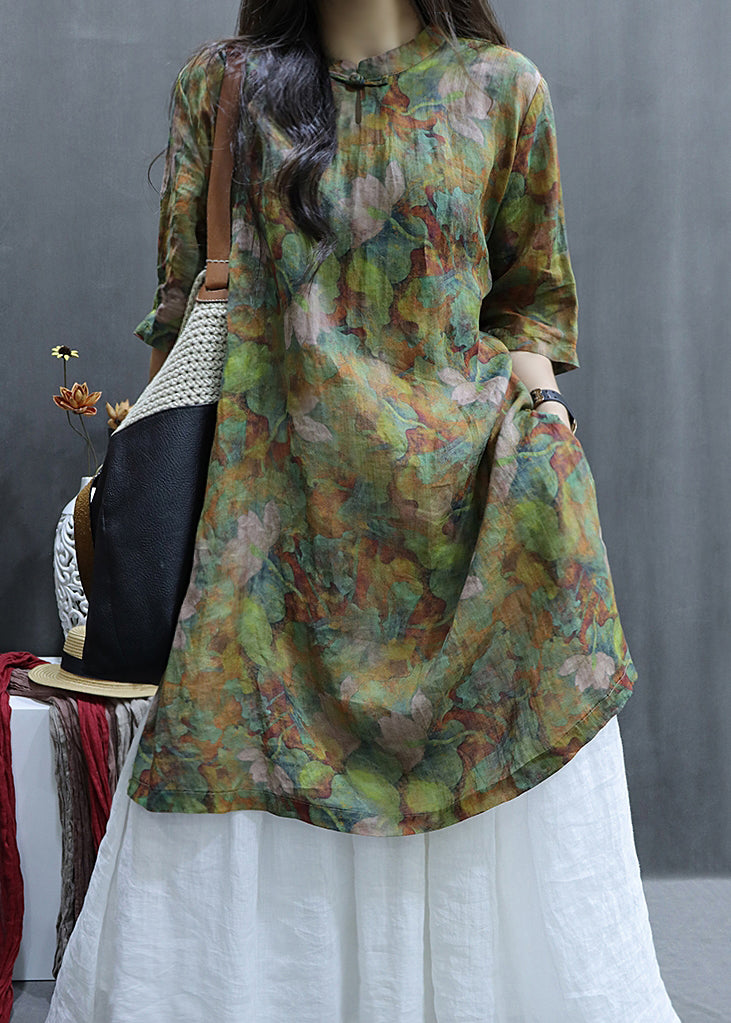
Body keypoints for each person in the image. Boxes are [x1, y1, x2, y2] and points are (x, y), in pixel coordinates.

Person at [46, 0, 681, 1019]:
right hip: (266, 539)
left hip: (469, 519)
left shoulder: (500, 89)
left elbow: (528, 306)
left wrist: (553, 434)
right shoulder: (226, 87)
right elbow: (181, 311)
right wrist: (148, 484)